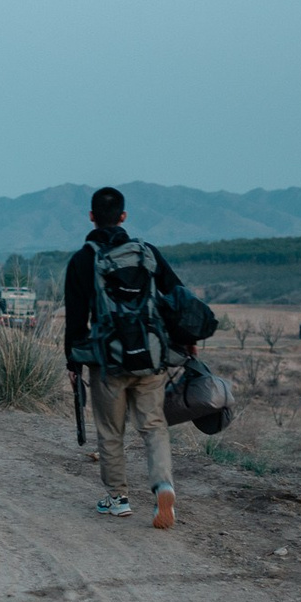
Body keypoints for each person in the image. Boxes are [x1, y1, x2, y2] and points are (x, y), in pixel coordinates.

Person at [64, 186, 188, 530]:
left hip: (108, 362)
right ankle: (164, 487)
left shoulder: (82, 259)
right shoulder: (147, 252)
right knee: (153, 426)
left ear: (91, 217)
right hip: (150, 359)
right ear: (123, 217)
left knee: (110, 430)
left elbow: (75, 321)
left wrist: (73, 364)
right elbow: (177, 296)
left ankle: (118, 499)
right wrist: (184, 342)